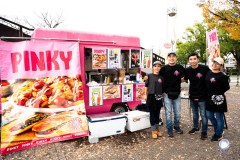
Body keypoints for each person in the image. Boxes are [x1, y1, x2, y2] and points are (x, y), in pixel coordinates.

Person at [183, 53, 210, 140]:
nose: (192, 61)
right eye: (191, 59)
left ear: (198, 59)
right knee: (194, 114)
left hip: (203, 96)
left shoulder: (204, 68)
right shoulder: (187, 70)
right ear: (188, 61)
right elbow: (185, 79)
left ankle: (204, 131)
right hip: (192, 95)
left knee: (203, 115)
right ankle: (195, 127)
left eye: (194, 59)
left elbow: (211, 78)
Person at [160, 52, 185, 137]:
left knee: (177, 113)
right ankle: (169, 129)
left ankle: (176, 126)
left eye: (173, 57)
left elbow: (186, 76)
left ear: (176, 58)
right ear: (167, 58)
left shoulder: (180, 67)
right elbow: (158, 78)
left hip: (177, 93)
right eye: (170, 57)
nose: (172, 58)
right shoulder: (163, 69)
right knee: (168, 112)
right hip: (167, 94)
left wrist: (182, 79)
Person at [205, 57, 230, 141]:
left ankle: (218, 134)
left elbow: (227, 87)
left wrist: (217, 93)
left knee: (219, 117)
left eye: (217, 63)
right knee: (209, 115)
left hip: (219, 99)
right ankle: (219, 130)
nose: (215, 64)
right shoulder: (208, 73)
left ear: (221, 65)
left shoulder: (223, 76)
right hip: (208, 98)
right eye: (214, 62)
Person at [145, 61, 164, 139]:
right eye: (155, 66)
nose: (157, 68)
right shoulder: (149, 76)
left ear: (160, 68)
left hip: (159, 97)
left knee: (157, 114)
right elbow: (146, 86)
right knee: (152, 114)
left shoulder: (162, 77)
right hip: (151, 96)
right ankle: (153, 131)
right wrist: (145, 96)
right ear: (153, 67)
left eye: (158, 66)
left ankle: (157, 129)